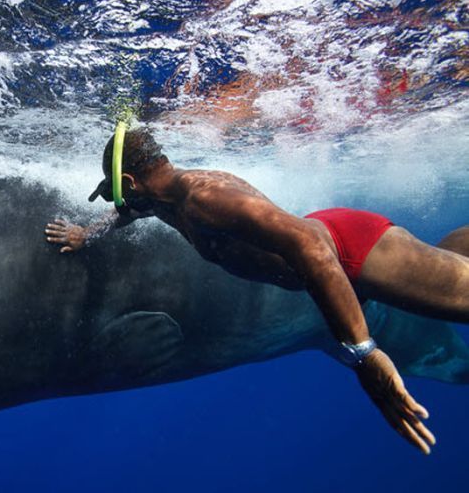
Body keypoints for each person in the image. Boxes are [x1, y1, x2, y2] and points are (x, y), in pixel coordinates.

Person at [45, 128, 469, 455]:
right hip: (332, 240)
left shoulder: (203, 198)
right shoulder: (161, 196)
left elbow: (312, 250)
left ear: (129, 179)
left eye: (116, 190)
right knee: (444, 266)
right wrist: (88, 234)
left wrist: (363, 353)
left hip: (349, 251)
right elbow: (129, 212)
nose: (119, 201)